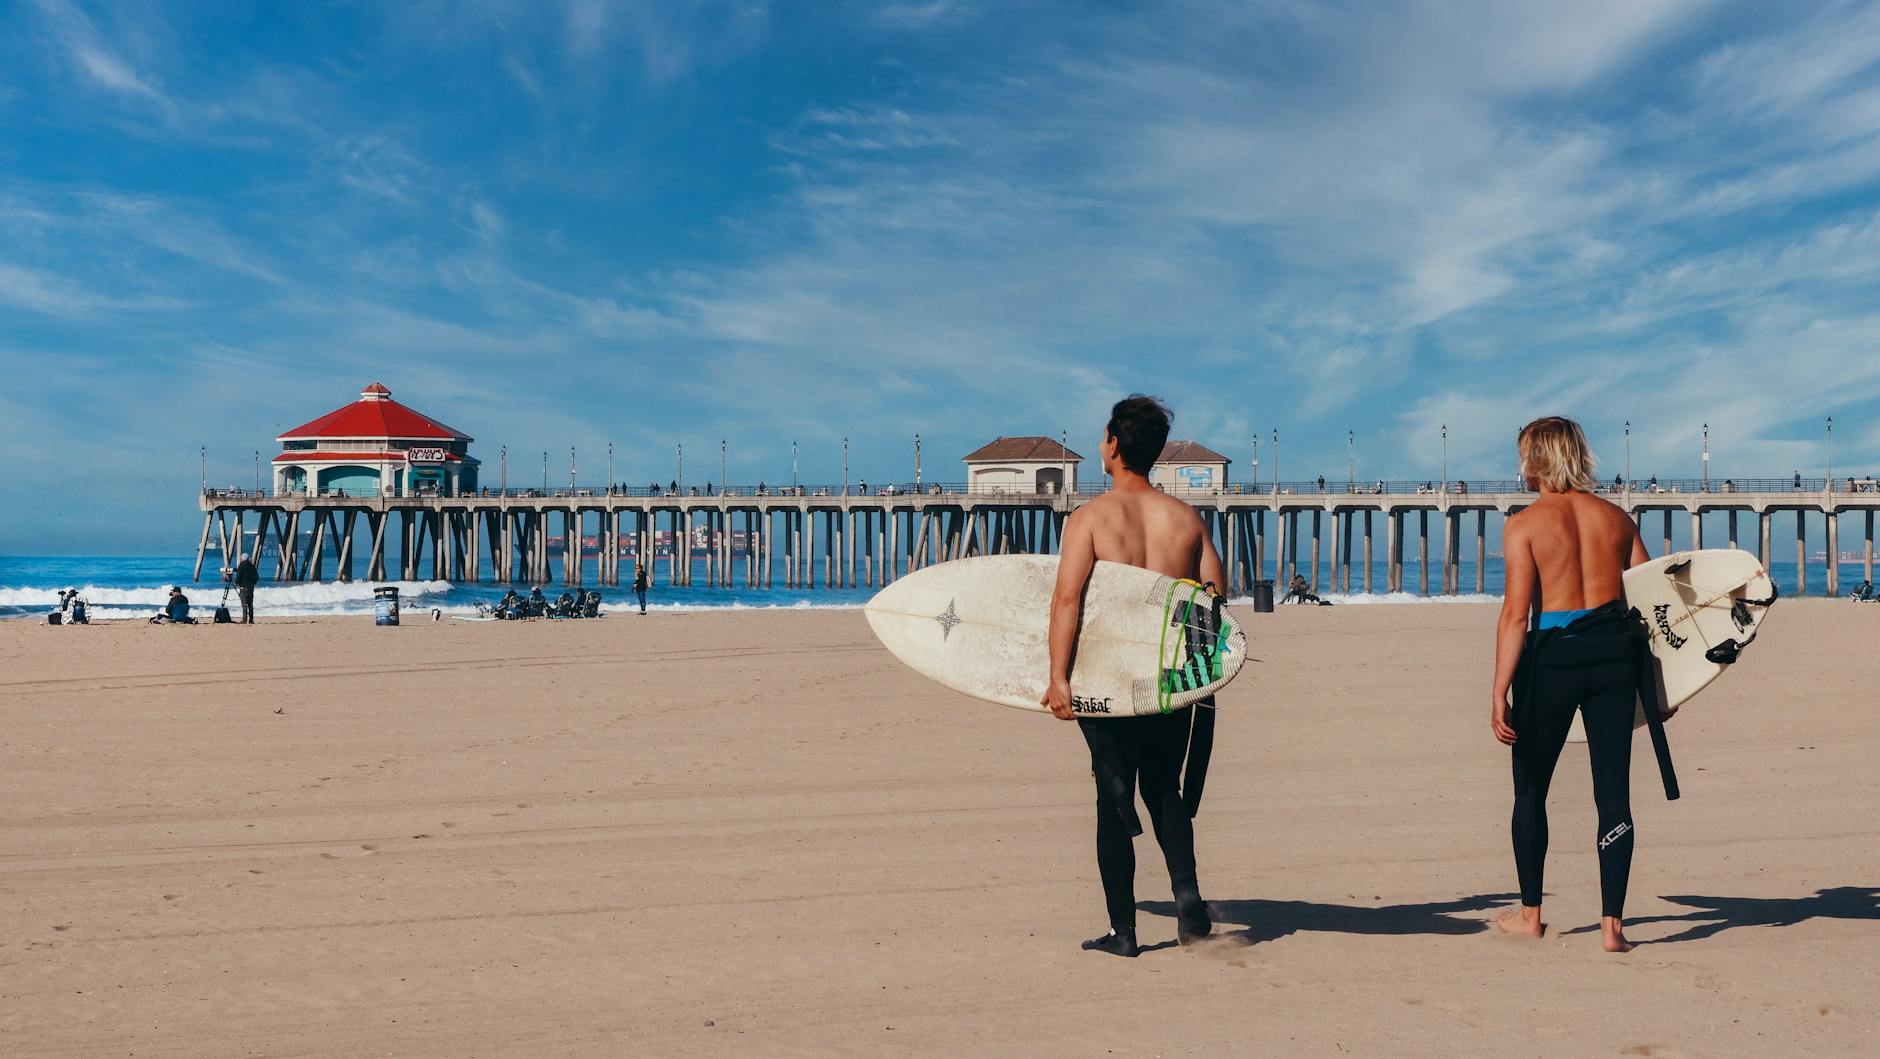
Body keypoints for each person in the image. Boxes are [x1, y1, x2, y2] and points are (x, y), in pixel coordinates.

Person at [1042, 395, 1218, 958]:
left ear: (1115, 445)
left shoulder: (1091, 519)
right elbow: (1214, 602)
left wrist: (1058, 677)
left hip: (1111, 682)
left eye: (1103, 438)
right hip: (1170, 680)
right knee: (1164, 788)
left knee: (1113, 800)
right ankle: (1189, 902)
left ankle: (1124, 932)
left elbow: (1067, 599)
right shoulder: (1186, 520)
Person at [1490, 416, 1653, 954]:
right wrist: (1660, 688)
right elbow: (1651, 603)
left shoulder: (1525, 525)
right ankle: (1612, 928)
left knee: (1531, 789)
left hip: (1552, 661)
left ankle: (1530, 915)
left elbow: (1516, 616)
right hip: (1614, 662)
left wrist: (1499, 691)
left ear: (1536, 459)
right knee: (1614, 793)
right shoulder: (1617, 519)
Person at [234, 556, 259, 624]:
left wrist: (236, 582)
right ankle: (251, 619)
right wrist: (253, 583)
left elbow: (239, 576)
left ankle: (244, 619)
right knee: (250, 604)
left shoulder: (242, 565)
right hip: (251, 588)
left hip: (243, 587)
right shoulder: (252, 566)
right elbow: (257, 577)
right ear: (248, 558)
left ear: (242, 558)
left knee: (244, 604)